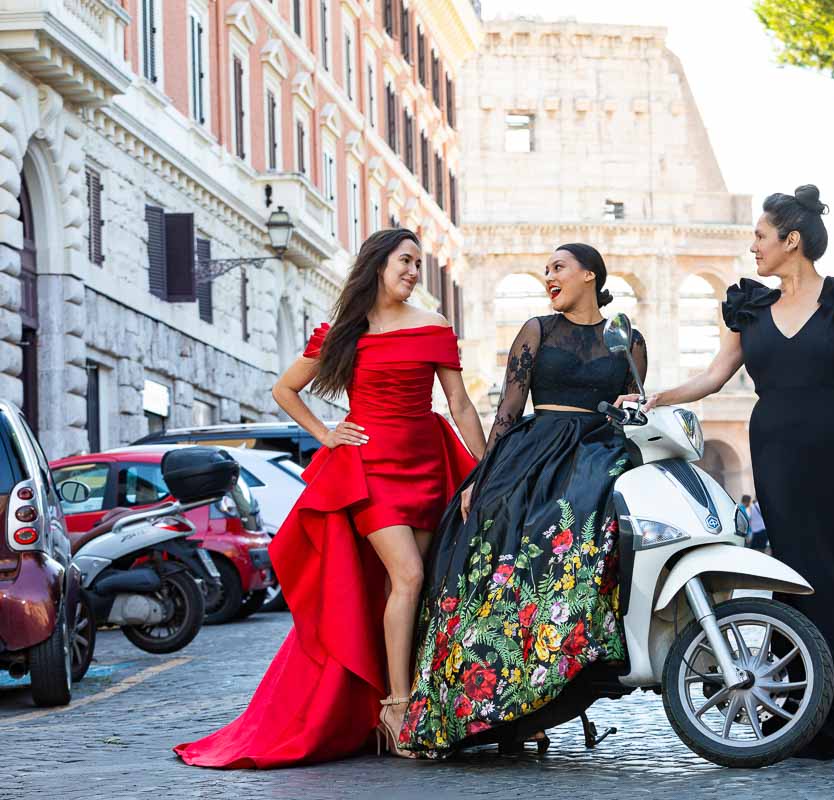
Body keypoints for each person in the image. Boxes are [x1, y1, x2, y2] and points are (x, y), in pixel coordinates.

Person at [625, 185, 834, 761]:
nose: (753, 248)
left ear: (791, 240)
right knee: (792, 575)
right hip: (778, 456)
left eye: (761, 237)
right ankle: (800, 713)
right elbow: (714, 377)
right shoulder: (750, 308)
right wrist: (655, 397)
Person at [174, 228, 484, 767]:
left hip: (426, 467)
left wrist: (484, 471)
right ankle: (396, 706)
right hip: (369, 472)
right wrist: (325, 433)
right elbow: (284, 389)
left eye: (418, 263)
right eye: (405, 261)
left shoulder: (434, 327)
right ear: (378, 265)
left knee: (405, 586)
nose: (414, 271)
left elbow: (459, 403)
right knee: (408, 577)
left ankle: (404, 703)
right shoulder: (345, 332)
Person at [395, 243, 646, 756]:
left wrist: (632, 406)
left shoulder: (628, 337)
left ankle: (563, 672)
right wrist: (480, 478)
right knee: (502, 546)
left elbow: (638, 402)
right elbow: (508, 410)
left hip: (597, 456)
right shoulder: (537, 329)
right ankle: (503, 700)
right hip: (533, 455)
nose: (547, 276)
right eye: (545, 269)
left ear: (590, 276)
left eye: (558, 268)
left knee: (586, 544)